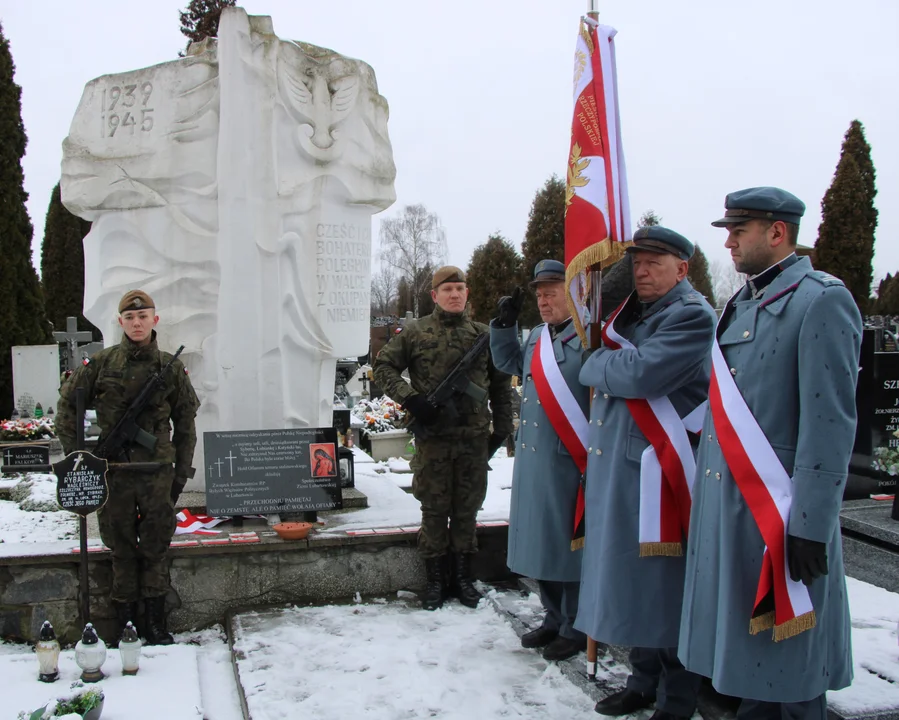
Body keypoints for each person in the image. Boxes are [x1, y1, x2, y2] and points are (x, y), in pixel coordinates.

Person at [679, 188, 861, 720]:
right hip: (731, 505)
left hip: (777, 510)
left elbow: (830, 422)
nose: (730, 242)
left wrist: (810, 524)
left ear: (776, 232)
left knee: (791, 651)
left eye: (739, 231)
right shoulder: (743, 301)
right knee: (750, 650)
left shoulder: (821, 299)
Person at [577, 227, 716, 720]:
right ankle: (641, 681)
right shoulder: (635, 314)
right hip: (626, 468)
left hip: (664, 474)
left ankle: (676, 701)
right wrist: (609, 360)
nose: (642, 270)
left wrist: (597, 363)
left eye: (655, 262)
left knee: (665, 586)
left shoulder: (692, 314)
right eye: (637, 262)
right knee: (636, 581)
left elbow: (641, 375)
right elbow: (622, 365)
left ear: (683, 268)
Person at [56, 290, 200, 646]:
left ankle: (154, 621)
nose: (137, 323)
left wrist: (181, 473)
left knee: (155, 547)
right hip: (114, 473)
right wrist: (81, 461)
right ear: (120, 322)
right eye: (130, 318)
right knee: (120, 549)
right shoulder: (102, 365)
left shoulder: (169, 367)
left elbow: (186, 425)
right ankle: (125, 624)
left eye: (143, 316)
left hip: (156, 472)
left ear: (155, 319)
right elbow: (65, 411)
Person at [372, 266, 514, 611]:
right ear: (434, 295)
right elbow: (383, 366)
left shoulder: (482, 334)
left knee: (467, 510)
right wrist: (412, 399)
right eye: (447, 289)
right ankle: (435, 581)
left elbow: (499, 386)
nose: (455, 294)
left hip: (473, 439)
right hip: (434, 439)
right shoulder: (416, 332)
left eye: (460, 288)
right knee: (434, 511)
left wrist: (502, 430)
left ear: (467, 294)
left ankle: (463, 579)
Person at [489, 259, 589, 661]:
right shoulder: (538, 338)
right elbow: (507, 362)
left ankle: (576, 624)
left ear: (573, 292)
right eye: (538, 294)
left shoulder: (588, 339)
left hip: (570, 459)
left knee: (569, 544)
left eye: (551, 292)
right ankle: (552, 616)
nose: (543, 300)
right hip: (535, 459)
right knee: (542, 544)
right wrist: (503, 326)